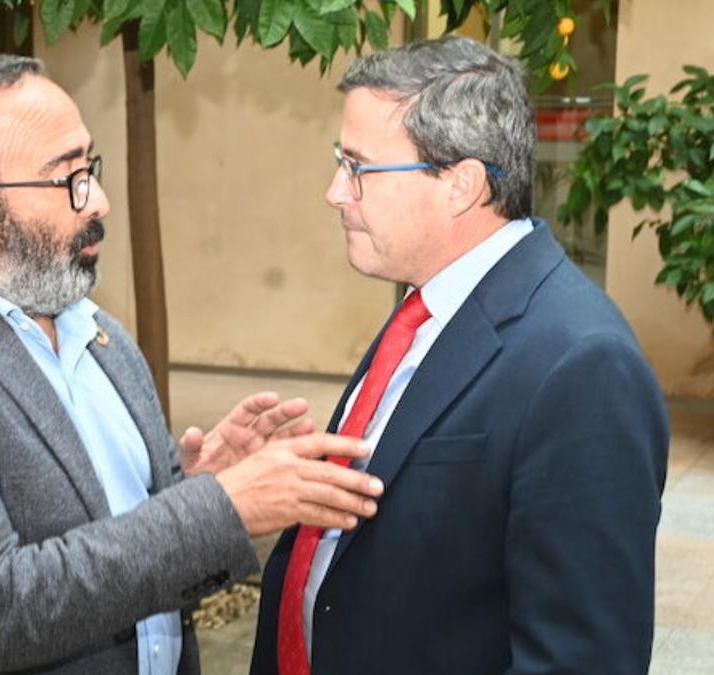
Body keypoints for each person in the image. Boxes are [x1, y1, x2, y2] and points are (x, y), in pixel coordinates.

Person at [0, 54, 385, 675]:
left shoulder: (99, 336)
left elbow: (129, 548)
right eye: (68, 180)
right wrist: (221, 507)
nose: (100, 202)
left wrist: (194, 489)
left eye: (92, 167)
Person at [250, 36, 670, 675]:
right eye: (341, 161)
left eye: (359, 167)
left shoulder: (584, 367)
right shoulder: (431, 301)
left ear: (461, 185)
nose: (336, 191)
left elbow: (582, 659)